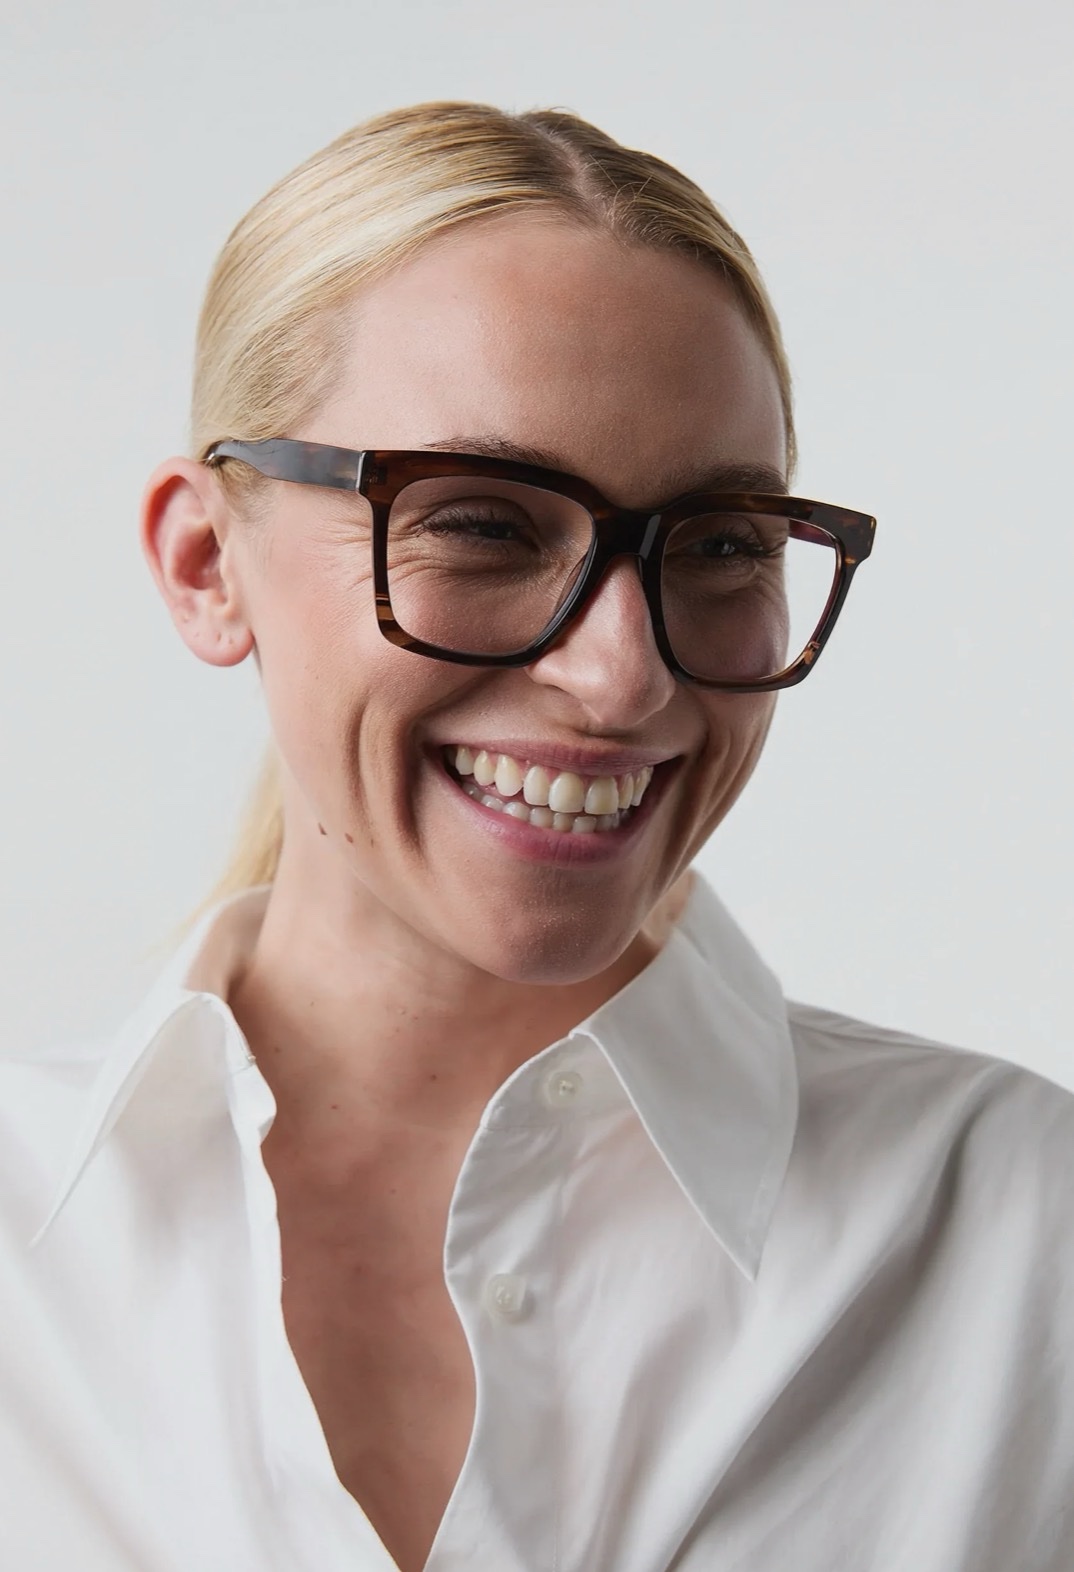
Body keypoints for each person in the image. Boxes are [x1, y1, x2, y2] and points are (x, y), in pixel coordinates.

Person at [1, 101, 1070, 1572]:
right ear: (205, 566)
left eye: (718, 544)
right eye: (484, 525)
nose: (622, 678)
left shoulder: (1025, 1242)